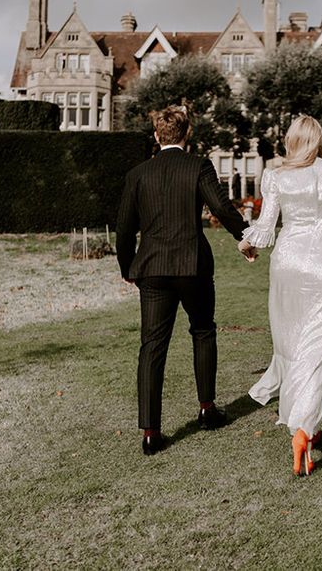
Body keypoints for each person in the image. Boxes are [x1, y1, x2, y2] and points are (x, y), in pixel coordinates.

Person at [116, 105, 256, 456]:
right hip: (193, 266)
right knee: (203, 331)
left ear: (156, 136)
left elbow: (123, 230)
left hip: (152, 269)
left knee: (152, 346)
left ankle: (151, 431)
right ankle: (207, 410)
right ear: (187, 134)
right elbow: (221, 208)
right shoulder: (198, 166)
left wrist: (127, 267)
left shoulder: (138, 174)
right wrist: (246, 235)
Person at [238, 115, 322, 476]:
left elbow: (266, 225)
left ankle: (302, 423)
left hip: (287, 264)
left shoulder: (277, 176)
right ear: (319, 139)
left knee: (294, 345)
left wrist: (246, 242)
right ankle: (304, 427)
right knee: (320, 348)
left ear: (292, 141)